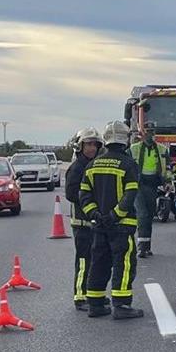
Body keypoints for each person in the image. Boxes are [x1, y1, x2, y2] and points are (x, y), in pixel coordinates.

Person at [79, 120, 143, 320]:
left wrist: (95, 215)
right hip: (121, 226)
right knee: (123, 264)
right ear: (125, 140)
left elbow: (84, 195)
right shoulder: (128, 164)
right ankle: (122, 305)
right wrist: (115, 215)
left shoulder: (92, 165)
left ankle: (95, 304)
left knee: (98, 263)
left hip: (98, 226)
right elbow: (130, 194)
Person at [63, 127, 102, 311]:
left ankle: (92, 294)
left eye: (94, 144)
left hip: (93, 220)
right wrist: (88, 199)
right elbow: (70, 193)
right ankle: (80, 296)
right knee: (84, 259)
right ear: (80, 146)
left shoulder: (94, 164)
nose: (92, 148)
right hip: (81, 221)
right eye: (88, 144)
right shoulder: (77, 167)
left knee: (95, 259)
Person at [131, 116, 169, 258]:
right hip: (138, 186)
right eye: (147, 132)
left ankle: (147, 246)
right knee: (142, 215)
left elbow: (168, 167)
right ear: (142, 133)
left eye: (152, 132)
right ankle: (141, 248)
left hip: (153, 186)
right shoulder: (134, 149)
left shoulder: (161, 149)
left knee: (150, 215)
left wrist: (168, 182)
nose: (150, 134)